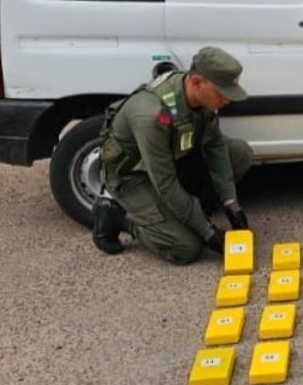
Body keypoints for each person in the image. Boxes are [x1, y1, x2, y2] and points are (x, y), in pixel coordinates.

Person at [91, 47, 254, 265]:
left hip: (172, 161)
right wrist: (208, 232)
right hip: (134, 177)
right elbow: (165, 182)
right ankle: (117, 216)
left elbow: (215, 145)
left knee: (240, 153)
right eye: (221, 93)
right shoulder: (152, 115)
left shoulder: (201, 97)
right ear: (197, 82)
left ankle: (187, 213)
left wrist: (230, 202)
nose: (227, 101)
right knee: (186, 247)